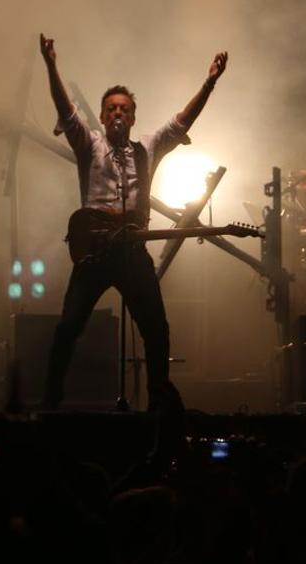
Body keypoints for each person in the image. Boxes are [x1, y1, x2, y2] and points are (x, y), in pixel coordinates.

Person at [39, 33, 227, 410]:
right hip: (93, 255)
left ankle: (159, 405)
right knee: (68, 327)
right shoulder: (88, 144)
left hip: (131, 253)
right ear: (104, 114)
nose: (118, 114)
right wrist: (51, 65)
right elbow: (65, 111)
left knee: (156, 330)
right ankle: (51, 405)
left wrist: (209, 83)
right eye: (111, 109)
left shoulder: (148, 146)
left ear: (133, 116)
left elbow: (181, 122)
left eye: (124, 109)